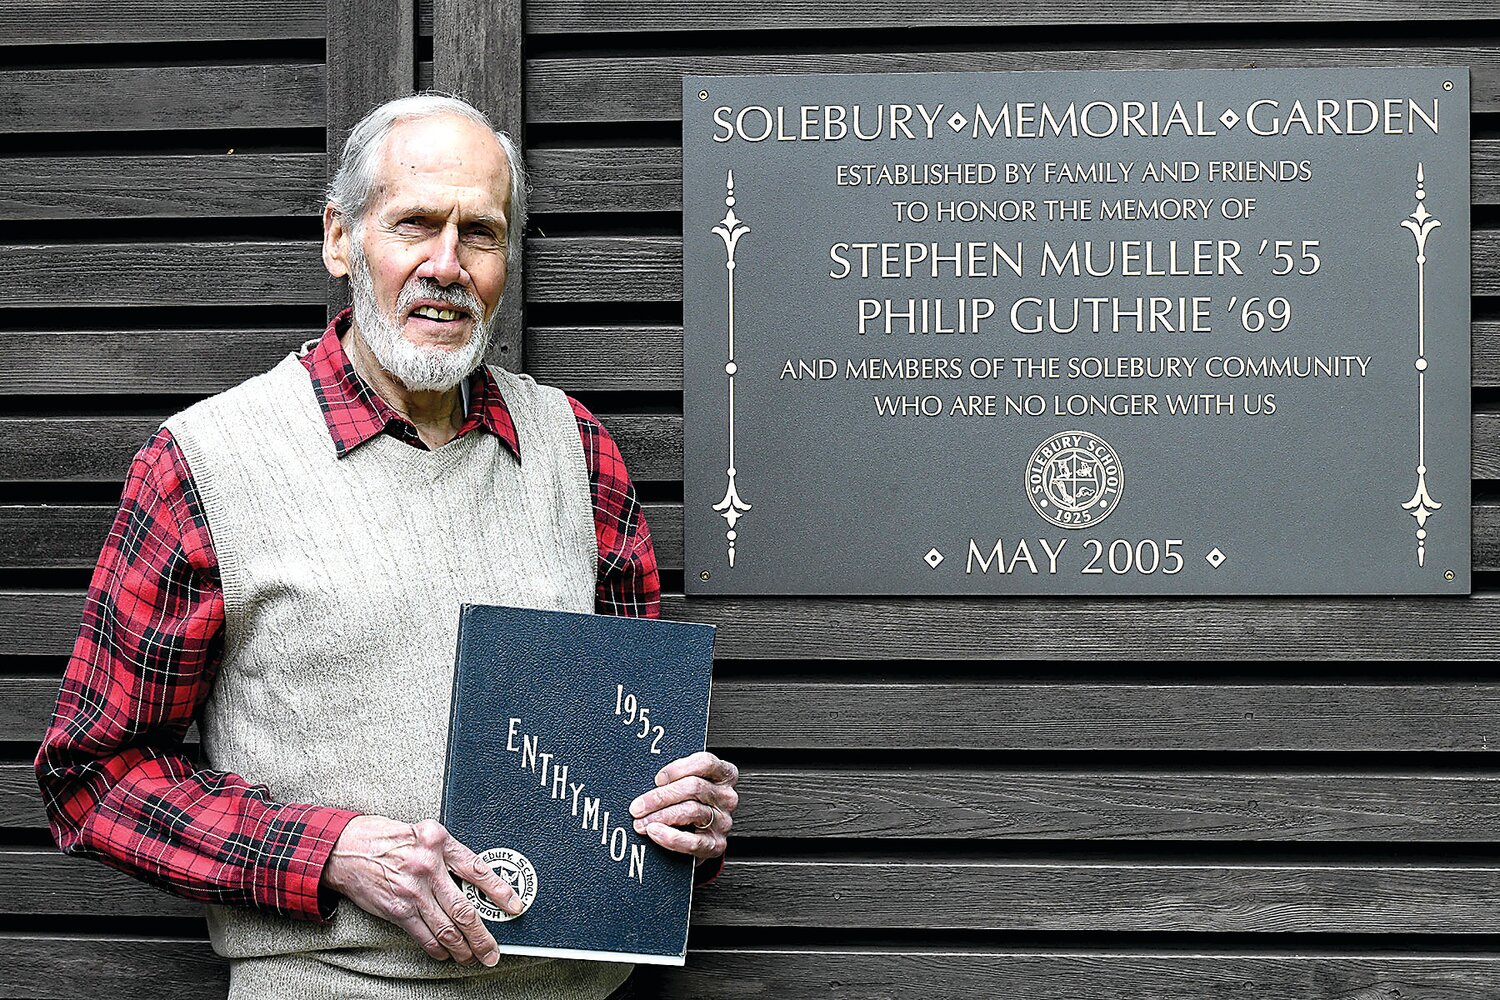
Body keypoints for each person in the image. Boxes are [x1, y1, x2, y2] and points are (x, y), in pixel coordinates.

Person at [34, 92, 738, 998]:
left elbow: (635, 758)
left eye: (479, 234)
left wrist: (688, 820)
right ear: (340, 239)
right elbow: (93, 775)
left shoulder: (577, 450)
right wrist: (328, 852)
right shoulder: (206, 463)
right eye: (414, 224)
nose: (446, 266)